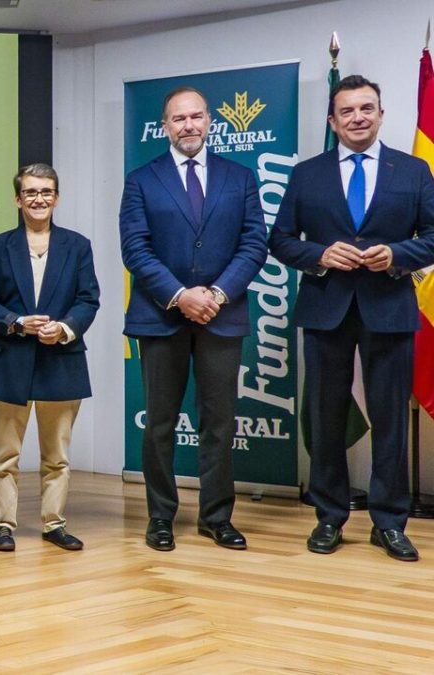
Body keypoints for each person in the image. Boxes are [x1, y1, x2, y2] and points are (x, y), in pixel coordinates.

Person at [269, 74, 434, 562]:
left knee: (389, 421)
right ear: (332, 121)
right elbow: (280, 240)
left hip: (389, 307)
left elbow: (433, 234)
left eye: (367, 108)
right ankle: (328, 515)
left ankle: (388, 521)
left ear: (381, 114)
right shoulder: (307, 173)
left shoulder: (414, 171)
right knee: (324, 419)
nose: (358, 117)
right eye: (348, 111)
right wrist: (320, 255)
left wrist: (398, 254)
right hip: (326, 309)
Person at [120, 85, 267, 552]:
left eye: (196, 117)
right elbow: (135, 249)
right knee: (160, 422)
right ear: (164, 126)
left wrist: (217, 294)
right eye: (178, 119)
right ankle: (161, 517)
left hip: (222, 316)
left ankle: (216, 517)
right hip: (161, 317)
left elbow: (254, 244)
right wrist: (181, 295)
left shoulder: (239, 178)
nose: (188, 125)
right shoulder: (141, 180)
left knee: (219, 421)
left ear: (209, 121)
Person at [0, 163, 99, 552]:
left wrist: (64, 328)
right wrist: (15, 322)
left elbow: (88, 299)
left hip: (61, 359)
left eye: (46, 192)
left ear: (56, 198)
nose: (38, 198)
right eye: (30, 192)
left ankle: (53, 524)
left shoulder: (78, 246)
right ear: (17, 199)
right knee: (5, 455)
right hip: (8, 358)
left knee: (57, 455)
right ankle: (3, 525)